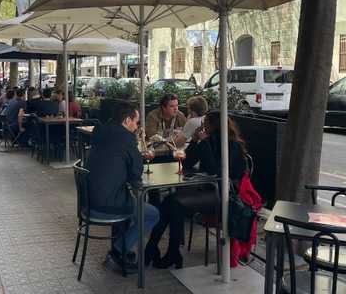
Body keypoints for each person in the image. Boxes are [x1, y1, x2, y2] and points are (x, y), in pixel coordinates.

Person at [144, 111, 249, 269]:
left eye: (205, 123)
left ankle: (163, 251)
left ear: (214, 126)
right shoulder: (209, 140)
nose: (202, 126)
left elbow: (216, 171)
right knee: (171, 202)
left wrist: (204, 143)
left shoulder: (231, 145)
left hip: (225, 196)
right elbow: (187, 164)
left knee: (174, 203)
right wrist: (194, 142)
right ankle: (161, 250)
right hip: (208, 190)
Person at [87, 101, 159, 272]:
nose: (137, 126)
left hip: (89, 199)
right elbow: (136, 172)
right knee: (151, 214)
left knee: (132, 206)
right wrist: (134, 148)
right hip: (108, 203)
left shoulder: (100, 131)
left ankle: (122, 249)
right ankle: (118, 251)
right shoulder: (126, 138)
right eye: (136, 122)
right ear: (127, 120)